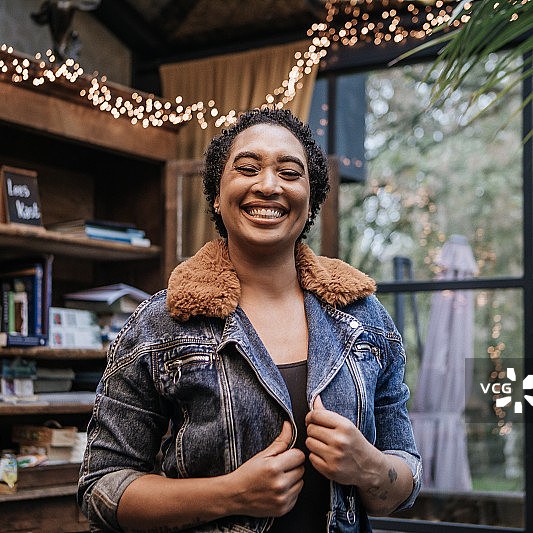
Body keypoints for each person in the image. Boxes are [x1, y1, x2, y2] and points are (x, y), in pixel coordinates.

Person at [78, 107, 421, 532]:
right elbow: (101, 488)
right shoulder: (160, 323)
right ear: (217, 197)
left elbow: (404, 481)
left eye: (290, 173)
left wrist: (367, 466)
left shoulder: (363, 317)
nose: (268, 185)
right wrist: (231, 494)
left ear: (311, 199)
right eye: (247, 168)